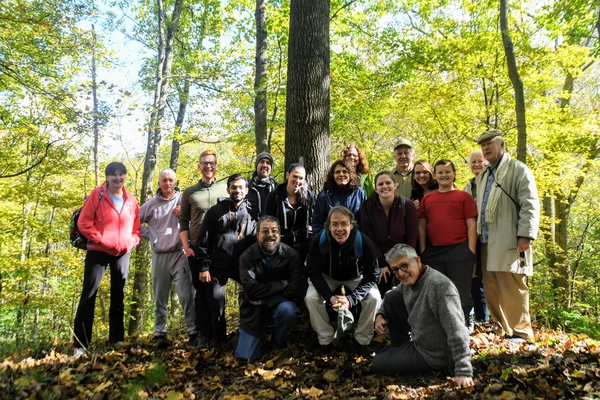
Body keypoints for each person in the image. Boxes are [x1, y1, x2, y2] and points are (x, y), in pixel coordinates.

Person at [372, 244, 474, 388]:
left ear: (418, 261)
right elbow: (392, 293)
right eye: (395, 270)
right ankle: (401, 349)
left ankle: (401, 353)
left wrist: (463, 370)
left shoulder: (439, 287)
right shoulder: (412, 280)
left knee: (378, 361)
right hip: (419, 343)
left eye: (404, 266)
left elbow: (457, 329)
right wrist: (380, 315)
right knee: (392, 297)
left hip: (435, 355)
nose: (400, 273)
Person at [476, 129, 540, 342]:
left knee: (513, 285)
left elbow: (529, 204)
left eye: (490, 144)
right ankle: (501, 329)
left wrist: (525, 235)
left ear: (501, 145)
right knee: (491, 286)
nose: (486, 148)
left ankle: (521, 331)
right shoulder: (483, 175)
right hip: (485, 239)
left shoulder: (518, 169)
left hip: (509, 238)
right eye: (483, 145)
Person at [73, 162, 141, 356]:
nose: (118, 178)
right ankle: (80, 344)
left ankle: (117, 339)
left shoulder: (131, 200)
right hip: (98, 250)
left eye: (121, 174)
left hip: (122, 252)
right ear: (107, 177)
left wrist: (131, 242)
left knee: (118, 294)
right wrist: (101, 240)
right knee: (89, 294)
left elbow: (136, 229)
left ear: (125, 176)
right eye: (114, 175)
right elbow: (84, 223)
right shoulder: (98, 194)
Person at [305, 206, 381, 357]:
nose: (339, 229)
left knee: (374, 298)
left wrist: (351, 300)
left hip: (355, 277)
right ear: (328, 226)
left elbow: (372, 275)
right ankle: (325, 339)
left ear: (351, 225)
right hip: (326, 276)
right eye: (335, 224)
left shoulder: (363, 242)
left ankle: (362, 340)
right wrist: (330, 297)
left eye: (344, 224)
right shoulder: (319, 241)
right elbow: (313, 272)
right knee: (311, 297)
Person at [195, 174, 258, 345]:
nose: (237, 190)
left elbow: (255, 241)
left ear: (246, 190)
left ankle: (246, 334)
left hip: (241, 266)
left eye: (240, 187)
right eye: (234, 187)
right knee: (215, 302)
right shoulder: (215, 212)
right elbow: (203, 241)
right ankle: (219, 339)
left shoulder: (252, 213)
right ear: (228, 189)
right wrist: (203, 267)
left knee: (254, 294)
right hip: (217, 266)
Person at [236, 216, 307, 360]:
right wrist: (281, 284)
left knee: (288, 311)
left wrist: (265, 301)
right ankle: (251, 338)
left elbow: (297, 289)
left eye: (274, 231)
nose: (270, 235)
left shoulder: (291, 255)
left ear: (279, 234)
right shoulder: (247, 257)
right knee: (246, 357)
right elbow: (251, 291)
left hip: (279, 303)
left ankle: (278, 340)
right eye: (265, 231)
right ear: (257, 235)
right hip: (254, 308)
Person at [139, 168, 196, 348]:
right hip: (159, 255)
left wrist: (184, 215)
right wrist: (151, 236)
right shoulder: (150, 205)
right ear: (159, 183)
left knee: (186, 295)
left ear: (176, 182)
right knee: (160, 297)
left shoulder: (183, 200)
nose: (167, 183)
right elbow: (134, 222)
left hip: (180, 253)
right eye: (164, 180)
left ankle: (193, 332)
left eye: (171, 180)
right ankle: (160, 333)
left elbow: (199, 219)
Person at [418, 159, 477, 324]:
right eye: (440, 172)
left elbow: (472, 224)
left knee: (461, 291)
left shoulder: (464, 197)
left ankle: (464, 321)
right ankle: (444, 323)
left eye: (447, 172)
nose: (444, 175)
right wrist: (423, 251)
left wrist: (471, 251)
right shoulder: (428, 199)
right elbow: (421, 226)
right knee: (439, 291)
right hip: (434, 252)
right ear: (435, 176)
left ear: (454, 174)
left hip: (460, 251)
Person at [179, 150, 228, 348]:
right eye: (205, 163)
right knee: (200, 293)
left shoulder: (225, 190)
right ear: (199, 166)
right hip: (196, 250)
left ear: (216, 166)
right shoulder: (190, 192)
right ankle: (202, 333)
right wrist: (186, 247)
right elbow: (183, 221)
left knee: (215, 294)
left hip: (219, 250)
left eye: (212, 163)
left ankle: (219, 334)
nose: (208, 166)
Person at [361, 171, 419, 296]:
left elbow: (412, 236)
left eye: (388, 183)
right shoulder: (367, 207)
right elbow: (369, 238)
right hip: (380, 260)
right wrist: (381, 263)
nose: (385, 186)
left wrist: (405, 263)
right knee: (383, 294)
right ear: (376, 189)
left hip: (404, 259)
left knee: (408, 295)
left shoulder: (407, 205)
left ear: (395, 185)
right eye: (380, 184)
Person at [265, 163, 314, 263]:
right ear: (287, 175)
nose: (297, 181)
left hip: (302, 245)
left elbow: (314, 217)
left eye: (301, 178)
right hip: (280, 244)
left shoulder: (309, 196)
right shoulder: (274, 196)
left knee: (298, 275)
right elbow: (267, 221)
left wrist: (311, 227)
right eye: (295, 176)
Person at [463, 150, 488, 324]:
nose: (477, 165)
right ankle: (480, 318)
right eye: (473, 162)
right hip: (473, 237)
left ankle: (488, 318)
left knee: (491, 279)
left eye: (480, 161)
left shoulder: (493, 182)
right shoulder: (468, 186)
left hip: (491, 236)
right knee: (474, 279)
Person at [312, 160, 366, 238]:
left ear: (350, 174)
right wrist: (322, 240)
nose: (341, 174)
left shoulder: (360, 193)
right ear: (333, 175)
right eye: (337, 172)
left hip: (355, 239)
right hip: (329, 240)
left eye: (345, 171)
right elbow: (317, 223)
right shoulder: (324, 195)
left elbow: (365, 222)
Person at [247, 152, 278, 216]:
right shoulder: (246, 186)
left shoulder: (277, 188)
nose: (265, 165)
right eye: (262, 162)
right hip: (250, 225)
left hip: (270, 224)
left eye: (268, 163)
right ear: (257, 165)